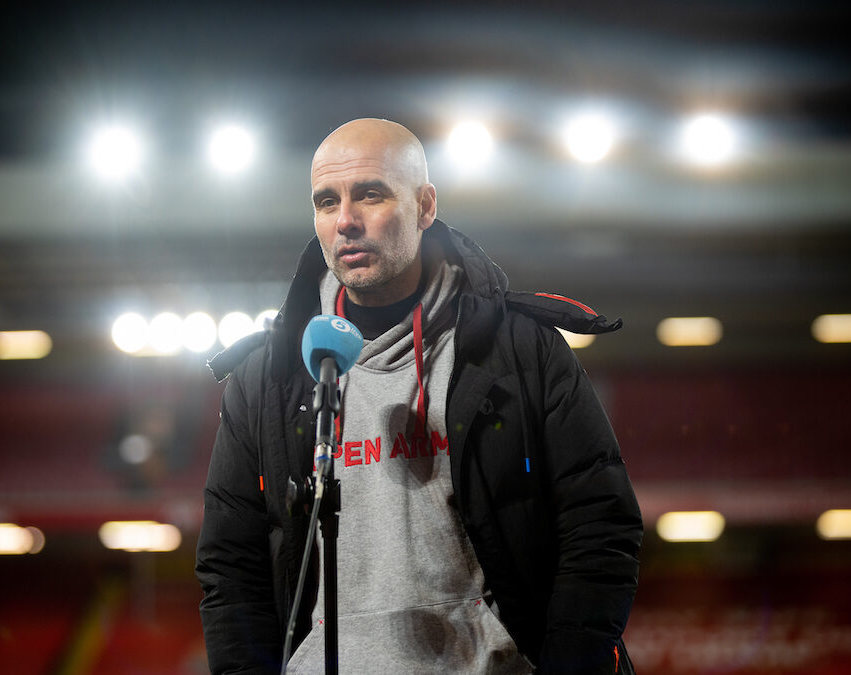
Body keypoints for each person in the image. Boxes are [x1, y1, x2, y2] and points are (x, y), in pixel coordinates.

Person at [196, 118, 642, 674]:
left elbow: (600, 524)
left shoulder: (520, 350)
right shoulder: (270, 376)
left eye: (371, 195)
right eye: (327, 202)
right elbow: (230, 564)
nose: (346, 222)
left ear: (426, 206)